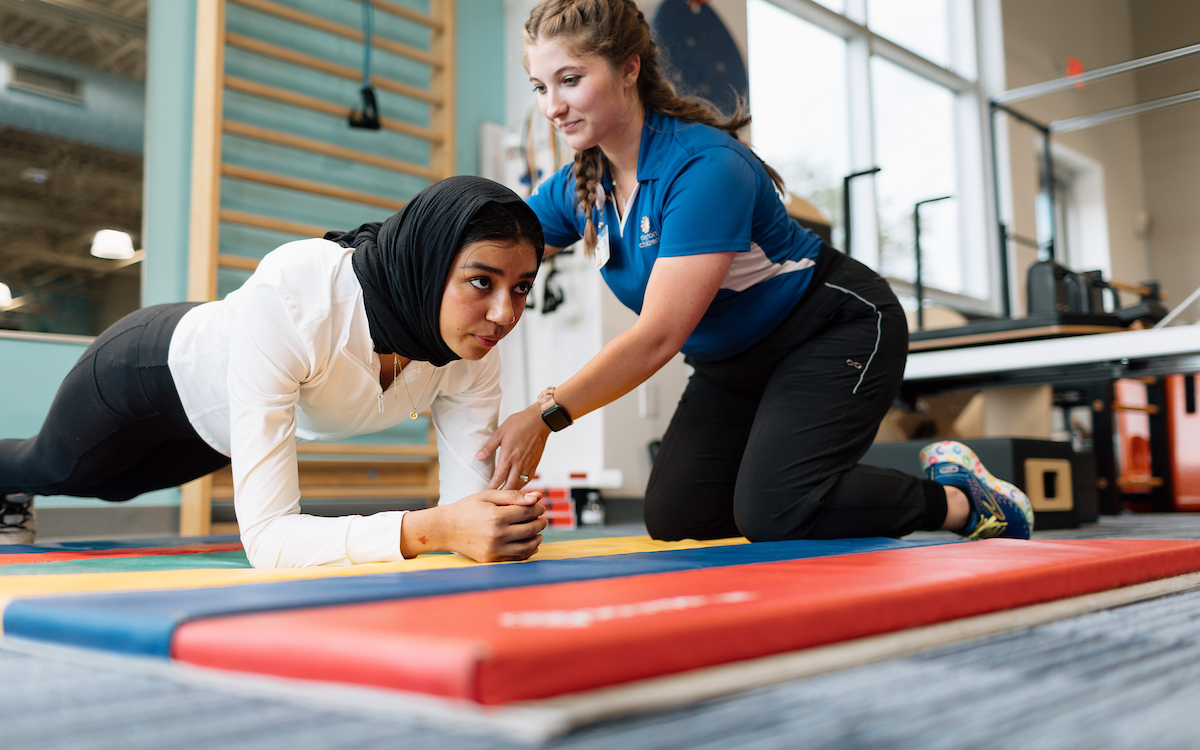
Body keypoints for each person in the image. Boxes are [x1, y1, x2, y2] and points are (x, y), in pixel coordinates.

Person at [476, 0, 1033, 543]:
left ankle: (962, 500)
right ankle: (784, 494)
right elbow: (493, 242)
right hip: (731, 363)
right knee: (676, 516)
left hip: (830, 327)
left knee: (775, 512)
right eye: (541, 87)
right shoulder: (584, 184)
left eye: (570, 80)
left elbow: (660, 335)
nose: (552, 107)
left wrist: (546, 414)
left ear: (628, 69)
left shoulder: (704, 167)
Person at [0, 176, 552, 566]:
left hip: (217, 428)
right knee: (51, 468)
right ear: (428, 265)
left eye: (521, 287)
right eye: (482, 281)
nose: (504, 314)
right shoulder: (297, 297)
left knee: (114, 490)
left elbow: (468, 513)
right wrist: (432, 529)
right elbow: (267, 541)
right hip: (143, 372)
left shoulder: (471, 348)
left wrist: (499, 523)